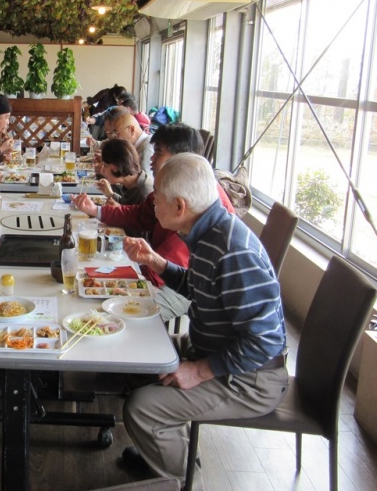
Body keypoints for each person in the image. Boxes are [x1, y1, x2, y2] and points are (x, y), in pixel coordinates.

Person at [121, 153, 288, 490]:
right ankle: (168, 454)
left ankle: (187, 481)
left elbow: (264, 341)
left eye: (157, 198)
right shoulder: (208, 231)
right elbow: (200, 287)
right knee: (134, 351)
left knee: (141, 408)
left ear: (179, 206)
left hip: (250, 378)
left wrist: (199, 371)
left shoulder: (233, 250)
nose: (152, 203)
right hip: (211, 346)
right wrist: (156, 261)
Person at [73, 123, 234, 289]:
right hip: (161, 270)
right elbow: (140, 214)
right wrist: (96, 210)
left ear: (181, 157)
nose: (152, 158)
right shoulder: (173, 185)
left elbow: (163, 272)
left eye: (159, 152)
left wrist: (111, 277)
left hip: (178, 287)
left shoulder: (195, 199)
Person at [95, 138, 153, 206]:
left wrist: (118, 208)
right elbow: (125, 204)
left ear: (116, 168)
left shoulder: (143, 193)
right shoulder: (132, 182)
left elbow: (131, 211)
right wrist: (110, 194)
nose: (102, 170)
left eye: (105, 165)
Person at [104, 107, 154, 179]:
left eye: (117, 133)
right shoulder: (133, 145)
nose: (115, 138)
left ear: (131, 130)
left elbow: (144, 182)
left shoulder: (146, 149)